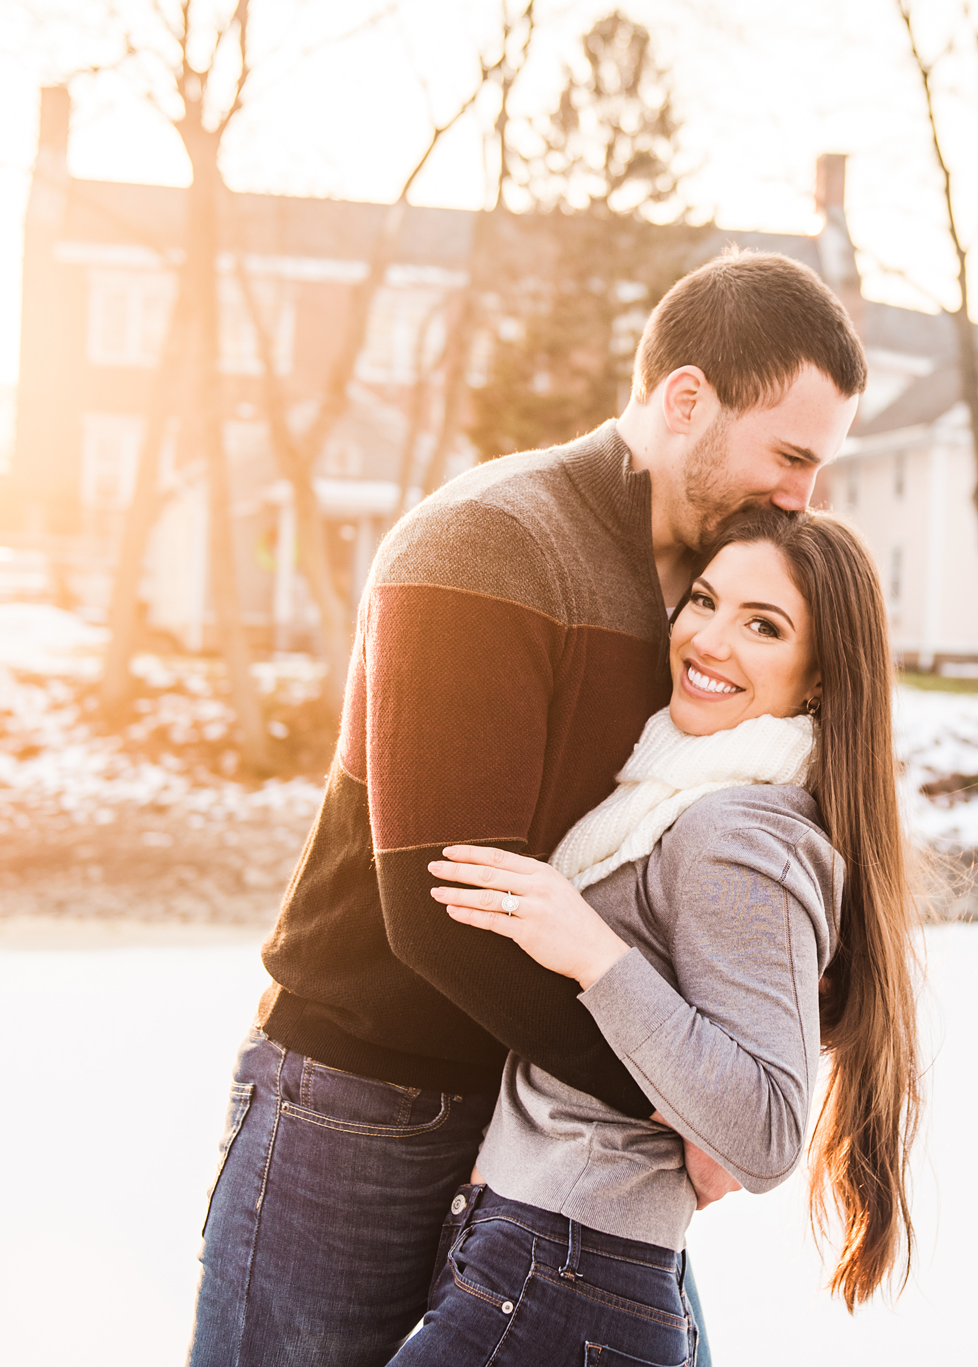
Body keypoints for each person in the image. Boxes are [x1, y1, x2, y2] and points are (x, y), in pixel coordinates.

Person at [186, 248, 868, 1367]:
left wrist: (764, 1043)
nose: (801, 496)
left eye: (818, 468)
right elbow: (434, 906)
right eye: (789, 454)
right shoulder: (489, 543)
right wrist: (669, 1101)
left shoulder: (705, 606)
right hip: (357, 1105)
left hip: (535, 1146)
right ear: (685, 400)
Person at [392, 509, 924, 1366]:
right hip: (541, 1255)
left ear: (820, 677)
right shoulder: (675, 791)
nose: (710, 640)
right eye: (704, 600)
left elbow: (766, 1128)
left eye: (762, 625)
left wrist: (592, 951)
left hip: (565, 1265)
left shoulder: (737, 831)